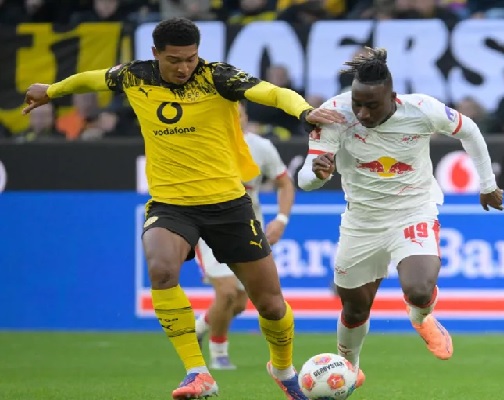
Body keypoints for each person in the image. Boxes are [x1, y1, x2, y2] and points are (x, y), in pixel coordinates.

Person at [22, 17, 343, 400]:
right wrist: (51, 91)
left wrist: (304, 111)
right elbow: (92, 79)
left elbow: (271, 92)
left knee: (271, 305)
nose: (184, 67)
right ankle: (198, 372)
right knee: (160, 269)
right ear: (155, 54)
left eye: (190, 58)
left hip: (228, 205)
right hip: (171, 203)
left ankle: (283, 369)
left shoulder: (218, 77)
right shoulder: (135, 76)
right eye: (174, 60)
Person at [297, 47, 504, 386]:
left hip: (413, 210)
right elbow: (305, 179)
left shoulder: (421, 109)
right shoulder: (334, 114)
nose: (362, 113)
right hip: (361, 221)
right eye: (357, 104)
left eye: (372, 105)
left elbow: (469, 130)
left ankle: (421, 318)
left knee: (419, 289)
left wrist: (487, 184)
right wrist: (317, 175)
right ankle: (350, 371)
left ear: (392, 98)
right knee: (354, 309)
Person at [195, 102, 296, 370]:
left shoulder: (260, 147)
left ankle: (199, 327)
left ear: (245, 117)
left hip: (247, 230)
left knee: (239, 303)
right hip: (209, 228)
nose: (233, 119)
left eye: (237, 114)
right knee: (227, 292)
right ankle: (219, 353)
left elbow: (284, 183)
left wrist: (281, 219)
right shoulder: (201, 144)